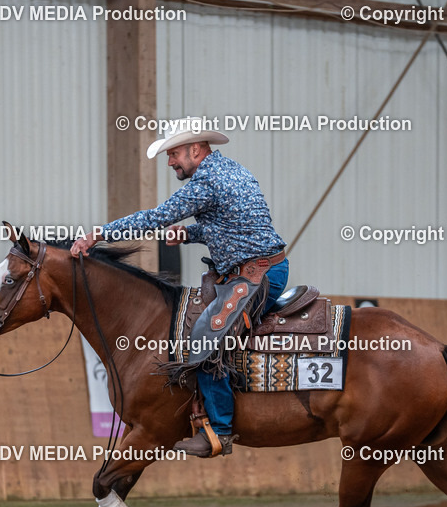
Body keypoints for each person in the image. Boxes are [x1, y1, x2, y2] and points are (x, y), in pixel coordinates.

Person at [71, 116, 288, 458]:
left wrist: (99, 233)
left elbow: (155, 217)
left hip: (255, 276)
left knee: (204, 339)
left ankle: (220, 430)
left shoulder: (206, 183)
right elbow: (233, 227)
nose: (170, 162)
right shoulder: (232, 171)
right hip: (255, 270)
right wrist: (188, 234)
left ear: (196, 149)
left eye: (173, 154)